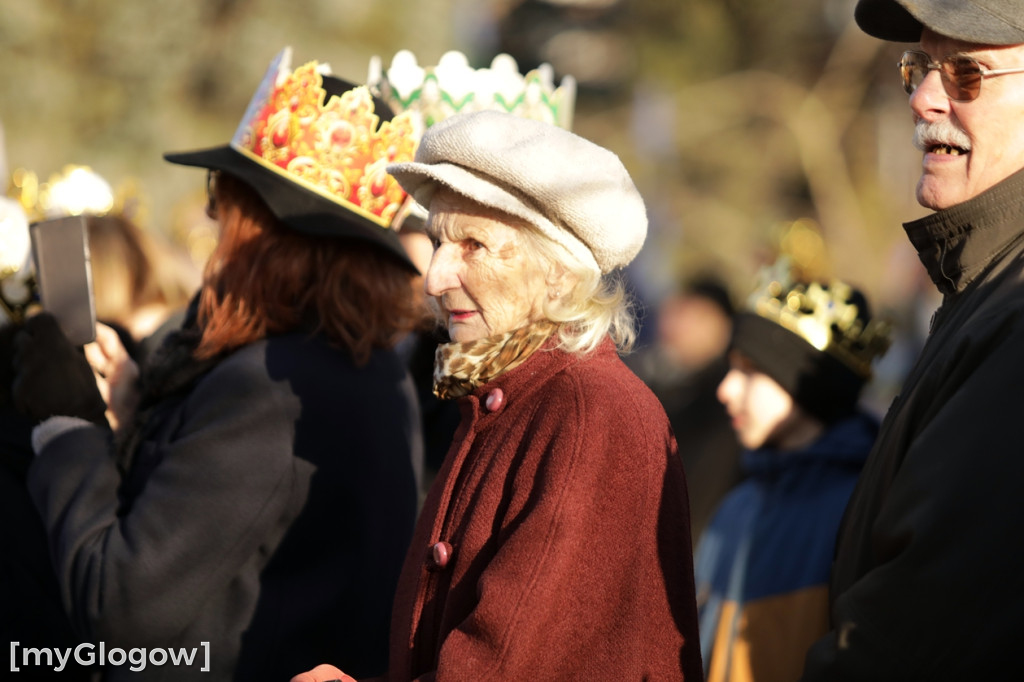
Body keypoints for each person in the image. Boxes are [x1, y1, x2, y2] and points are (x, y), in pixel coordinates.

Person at [9, 48, 423, 681]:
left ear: (265, 233)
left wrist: (66, 428)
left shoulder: (272, 386)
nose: (210, 219)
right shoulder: (359, 368)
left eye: (225, 203)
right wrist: (129, 413)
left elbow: (119, 612)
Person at [293, 109, 703, 681]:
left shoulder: (587, 412)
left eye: (474, 245)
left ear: (557, 272)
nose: (436, 277)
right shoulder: (514, 393)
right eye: (439, 241)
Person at [799, 1, 1024, 678]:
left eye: (967, 75)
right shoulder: (982, 288)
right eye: (920, 67)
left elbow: (924, 621)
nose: (924, 98)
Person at [694, 268, 890, 682]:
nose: (725, 389)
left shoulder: (861, 512)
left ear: (806, 385)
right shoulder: (737, 506)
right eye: (731, 367)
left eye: (751, 370)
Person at [627, 275, 744, 541]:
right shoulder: (658, 380)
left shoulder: (723, 413)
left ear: (724, 328)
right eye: (679, 312)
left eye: (697, 318)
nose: (680, 326)